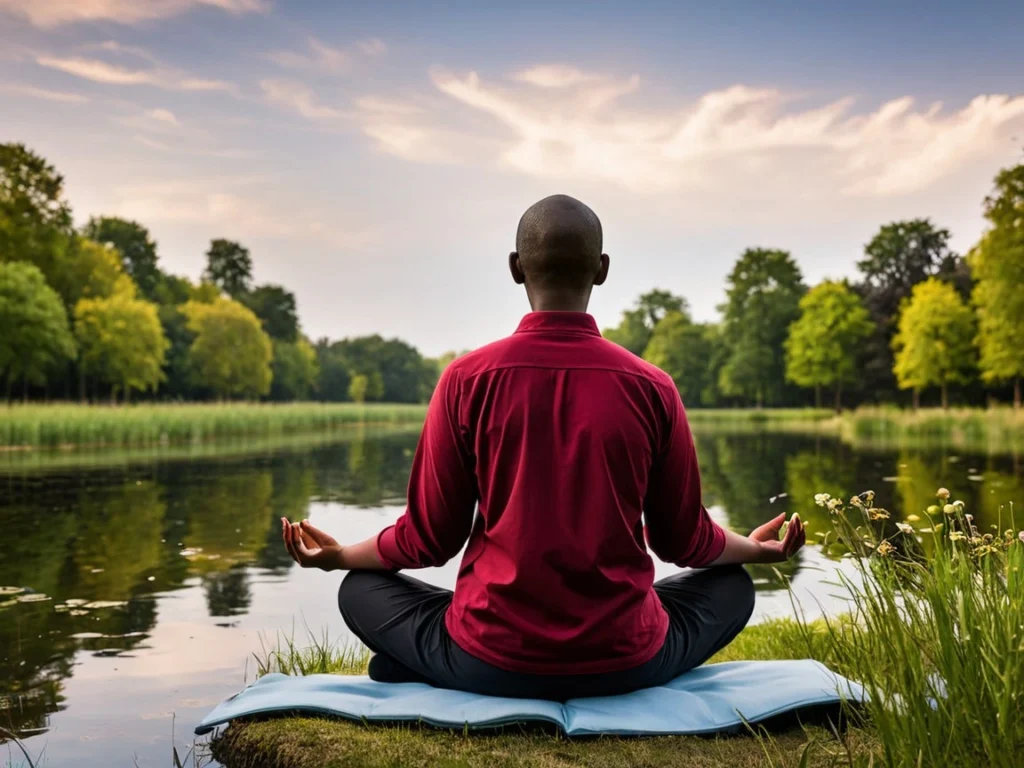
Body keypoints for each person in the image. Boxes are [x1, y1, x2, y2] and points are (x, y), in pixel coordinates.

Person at [281, 194, 805, 700]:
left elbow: (428, 540)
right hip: (625, 661)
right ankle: (494, 666)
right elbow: (684, 541)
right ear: (601, 269)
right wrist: (755, 552)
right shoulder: (653, 387)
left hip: (492, 655)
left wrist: (339, 557)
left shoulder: (466, 379)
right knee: (733, 587)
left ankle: (440, 667)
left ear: (515, 267)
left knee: (358, 589)